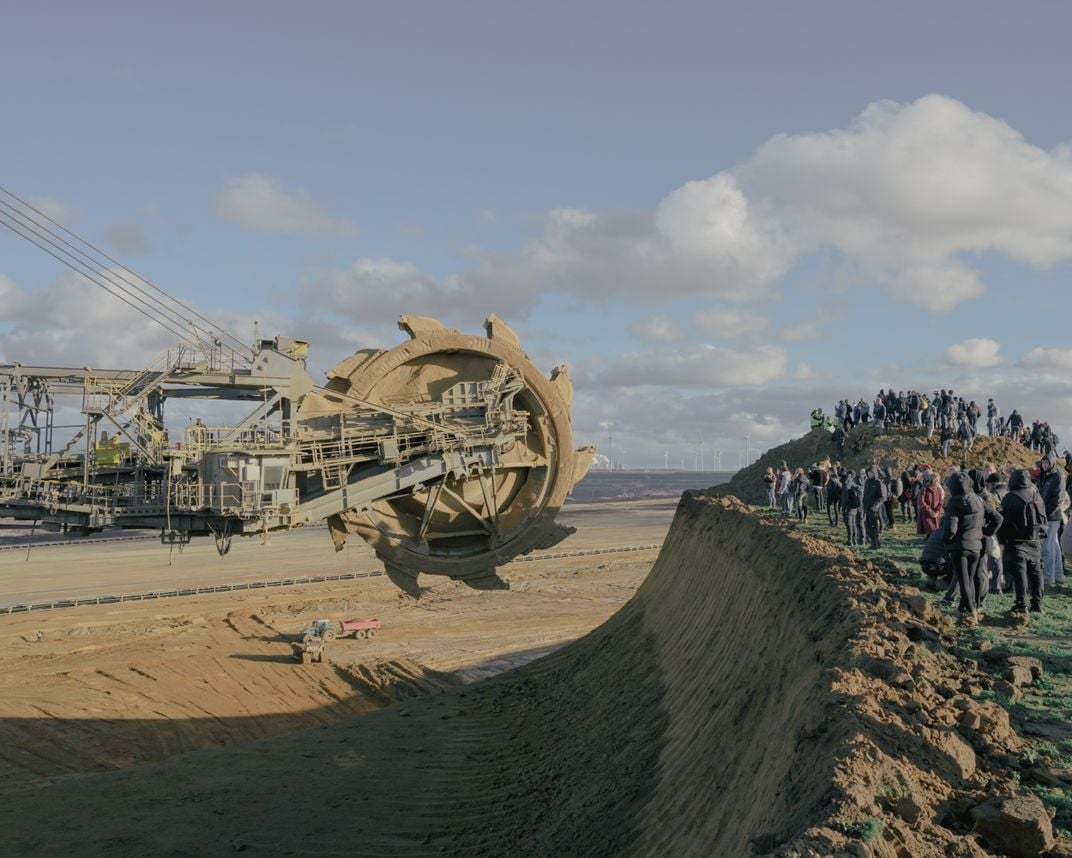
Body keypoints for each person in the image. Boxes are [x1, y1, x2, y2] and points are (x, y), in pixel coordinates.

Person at [943, 471, 1001, 626]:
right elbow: (997, 518)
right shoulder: (978, 499)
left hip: (959, 548)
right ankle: (963, 608)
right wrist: (986, 532)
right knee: (970, 579)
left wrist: (946, 541)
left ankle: (971, 612)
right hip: (976, 547)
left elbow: (951, 529)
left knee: (964, 582)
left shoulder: (954, 503)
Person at [997, 469, 1048, 615]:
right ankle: (1037, 605)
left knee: (1020, 573)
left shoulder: (1010, 497)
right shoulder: (1036, 495)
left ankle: (1021, 604)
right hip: (1035, 539)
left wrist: (1001, 540)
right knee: (1036, 572)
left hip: (1016, 540)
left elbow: (1003, 522)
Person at [1035, 453, 1068, 586]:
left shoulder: (1057, 476)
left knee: (1046, 545)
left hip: (1052, 515)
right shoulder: (1042, 476)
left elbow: (1058, 498)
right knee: (1053, 544)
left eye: (1047, 463)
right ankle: (1058, 574)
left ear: (1052, 463)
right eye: (1043, 463)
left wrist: (1044, 512)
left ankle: (1048, 576)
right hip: (1044, 514)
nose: (1045, 465)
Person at [862, 467, 889, 549]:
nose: (869, 474)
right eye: (868, 473)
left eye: (871, 473)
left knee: (874, 527)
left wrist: (875, 505)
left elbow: (883, 497)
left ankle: (875, 544)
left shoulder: (878, 482)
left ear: (875, 473)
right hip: (867, 508)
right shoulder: (867, 482)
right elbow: (865, 494)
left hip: (874, 509)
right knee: (868, 527)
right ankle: (874, 543)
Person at [917, 469, 944, 536]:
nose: (937, 482)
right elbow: (921, 502)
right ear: (931, 480)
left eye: (938, 480)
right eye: (935, 480)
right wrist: (930, 511)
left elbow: (940, 502)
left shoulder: (939, 490)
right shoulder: (924, 489)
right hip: (926, 514)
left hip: (936, 514)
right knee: (930, 530)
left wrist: (937, 512)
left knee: (935, 531)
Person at [842, 471, 864, 546]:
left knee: (849, 525)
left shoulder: (847, 485)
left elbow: (845, 498)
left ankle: (850, 541)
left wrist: (845, 507)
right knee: (853, 524)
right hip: (855, 507)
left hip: (848, 508)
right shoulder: (854, 484)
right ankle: (854, 541)